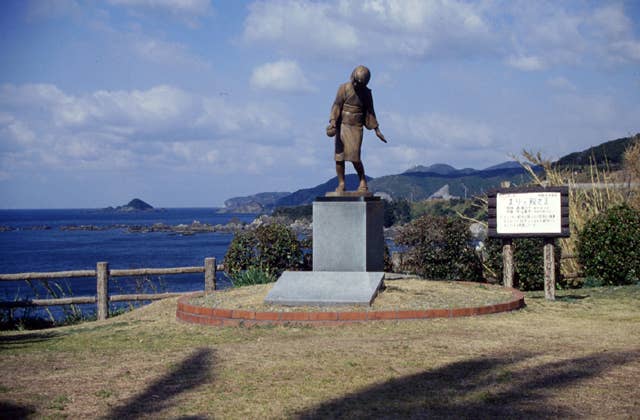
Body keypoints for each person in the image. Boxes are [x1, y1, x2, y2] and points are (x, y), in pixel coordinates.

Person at [326, 65, 387, 193]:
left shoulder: (366, 93)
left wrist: (377, 130)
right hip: (342, 125)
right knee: (339, 157)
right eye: (354, 80)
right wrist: (332, 122)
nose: (355, 84)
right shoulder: (344, 88)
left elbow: (370, 111)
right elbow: (336, 105)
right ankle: (341, 183)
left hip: (355, 126)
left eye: (359, 83)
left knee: (355, 156)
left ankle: (362, 180)